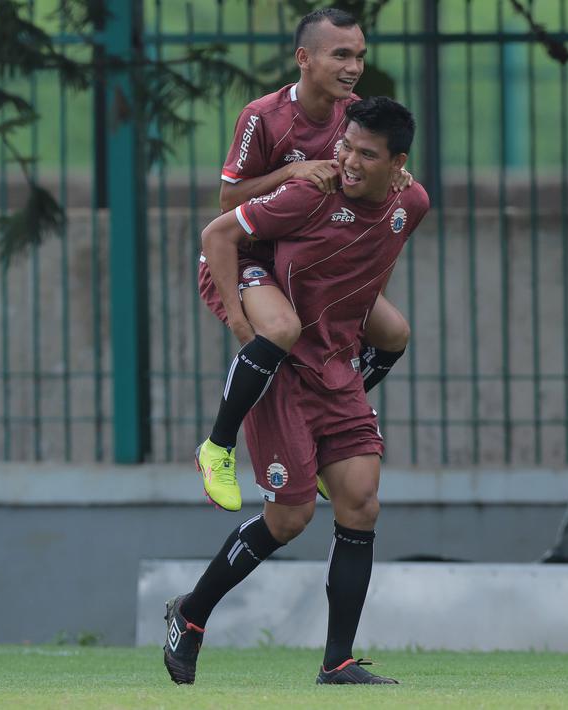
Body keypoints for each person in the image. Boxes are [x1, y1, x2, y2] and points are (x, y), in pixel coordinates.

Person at [166, 96, 429, 685]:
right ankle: (191, 613)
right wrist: (240, 320)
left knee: (362, 502)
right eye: (347, 147)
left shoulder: (411, 202)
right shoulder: (310, 192)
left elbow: (375, 263)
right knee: (290, 518)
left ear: (399, 162)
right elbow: (220, 233)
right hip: (283, 373)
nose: (350, 162)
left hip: (336, 369)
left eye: (367, 154)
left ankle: (337, 663)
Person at [195, 7, 414, 512]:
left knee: (393, 333)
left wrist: (399, 177)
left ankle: (322, 419)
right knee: (281, 329)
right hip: (248, 257)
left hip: (307, 265)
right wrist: (294, 175)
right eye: (340, 55)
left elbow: (378, 165)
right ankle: (218, 446)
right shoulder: (262, 116)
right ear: (304, 59)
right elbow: (228, 205)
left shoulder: (355, 113)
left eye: (359, 55)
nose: (353, 67)